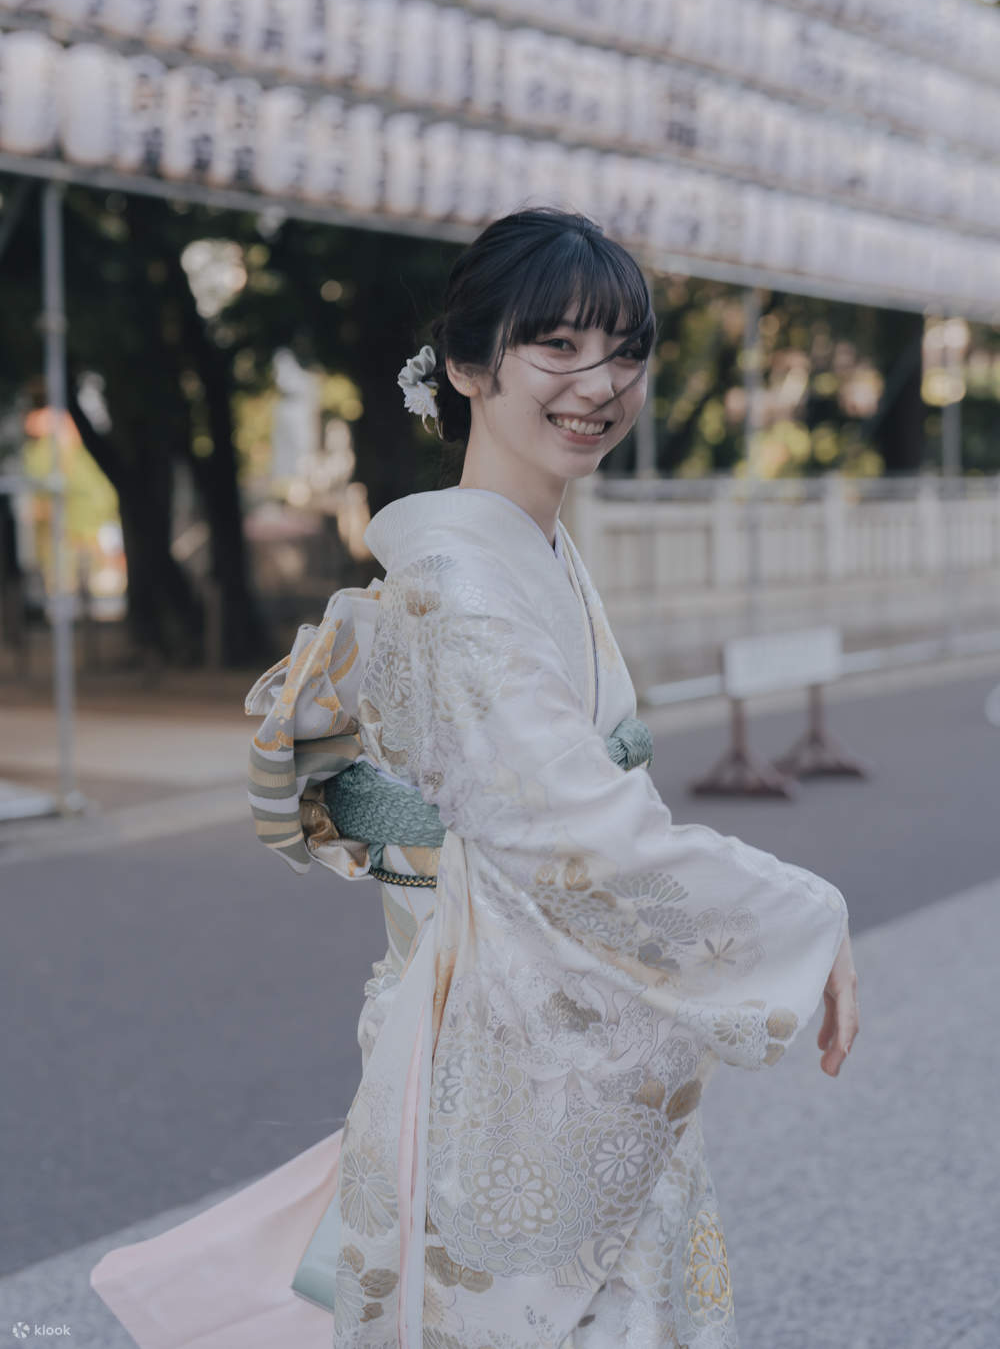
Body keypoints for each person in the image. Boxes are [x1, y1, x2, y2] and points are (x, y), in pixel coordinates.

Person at [91, 208, 858, 1349]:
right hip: (502, 1076)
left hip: (568, 1052)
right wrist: (811, 911)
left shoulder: (530, 551)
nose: (598, 383)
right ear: (464, 363)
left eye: (626, 351)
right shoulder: (464, 584)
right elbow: (583, 841)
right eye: (556, 345)